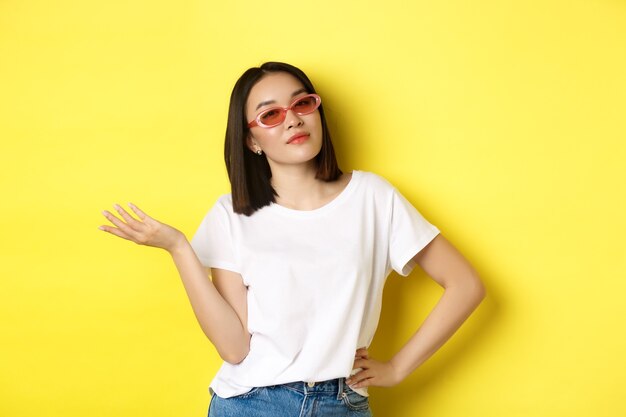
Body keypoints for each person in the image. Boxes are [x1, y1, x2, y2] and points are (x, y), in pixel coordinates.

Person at [99, 62, 486, 417]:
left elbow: (465, 285)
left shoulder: (373, 197)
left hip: (343, 403)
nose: (293, 120)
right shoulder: (231, 214)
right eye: (270, 114)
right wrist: (179, 247)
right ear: (251, 141)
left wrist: (398, 368)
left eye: (302, 104)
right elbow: (235, 348)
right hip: (251, 403)